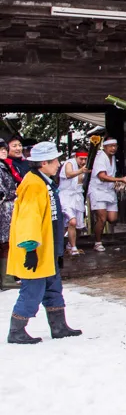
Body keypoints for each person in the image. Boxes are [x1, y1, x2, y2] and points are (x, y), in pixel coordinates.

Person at [6, 141, 82, 344]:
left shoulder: (44, 181)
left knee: (53, 287)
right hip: (36, 249)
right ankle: (16, 331)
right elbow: (29, 218)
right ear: (43, 163)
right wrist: (30, 248)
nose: (58, 164)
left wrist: (57, 249)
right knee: (33, 290)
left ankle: (59, 326)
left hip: (49, 248)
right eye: (55, 160)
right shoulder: (33, 184)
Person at [89, 138, 126, 252]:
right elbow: (102, 176)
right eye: (110, 146)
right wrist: (120, 179)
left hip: (109, 191)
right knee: (102, 218)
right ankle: (97, 242)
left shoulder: (113, 157)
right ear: (105, 147)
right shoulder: (100, 157)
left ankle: (100, 231)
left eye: (115, 146)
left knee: (112, 218)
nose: (113, 148)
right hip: (98, 190)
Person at [58, 150, 90, 256]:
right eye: (81, 159)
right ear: (76, 157)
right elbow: (68, 174)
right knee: (72, 222)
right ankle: (73, 247)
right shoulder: (69, 163)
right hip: (66, 196)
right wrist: (81, 171)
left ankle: (69, 245)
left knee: (79, 226)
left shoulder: (86, 166)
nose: (83, 161)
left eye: (85, 159)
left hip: (77, 197)